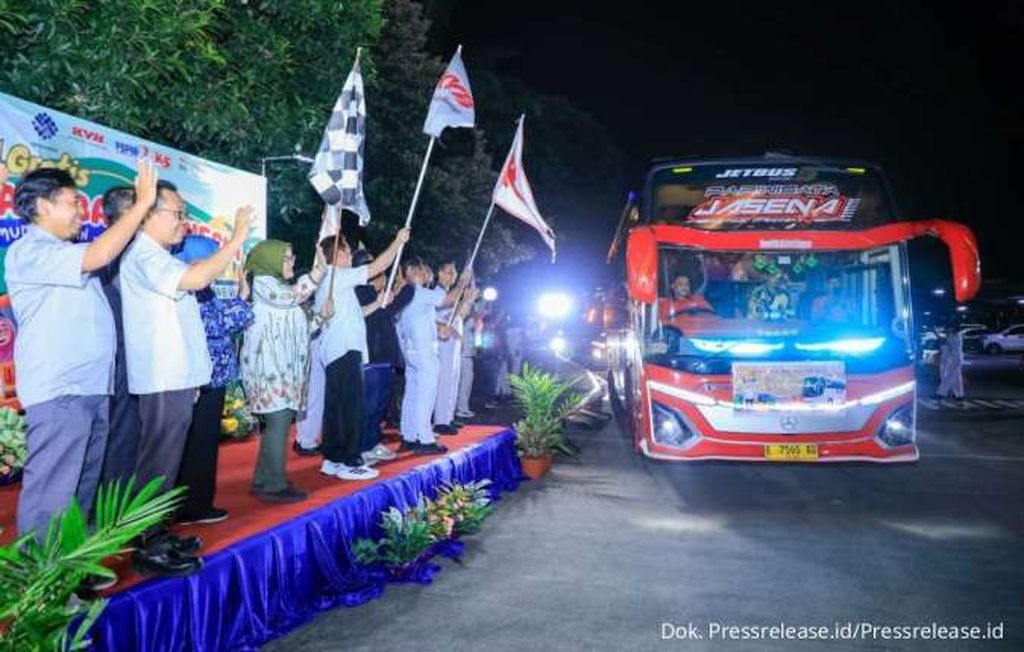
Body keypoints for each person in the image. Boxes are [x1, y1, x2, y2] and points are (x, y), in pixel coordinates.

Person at [5, 161, 155, 550]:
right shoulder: (30, 251)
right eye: (73, 202)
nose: (80, 212)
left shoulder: (66, 252)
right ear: (42, 205)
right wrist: (141, 207)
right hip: (60, 390)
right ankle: (40, 588)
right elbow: (99, 254)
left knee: (80, 489)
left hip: (89, 389)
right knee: (53, 490)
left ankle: (69, 571)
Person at [121, 180, 250, 575]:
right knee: (157, 464)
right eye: (177, 213)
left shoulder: (161, 256)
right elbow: (197, 280)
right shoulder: (142, 255)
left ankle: (158, 534)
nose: (184, 222)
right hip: (163, 378)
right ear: (147, 216)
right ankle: (147, 545)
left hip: (178, 378)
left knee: (168, 464)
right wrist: (236, 239)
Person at [313, 225, 409, 480]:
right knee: (350, 408)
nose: (350, 254)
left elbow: (354, 314)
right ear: (338, 254)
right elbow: (376, 267)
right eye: (346, 250)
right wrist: (397, 242)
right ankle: (349, 460)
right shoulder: (337, 275)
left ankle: (332, 458)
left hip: (336, 352)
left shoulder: (331, 280)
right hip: (345, 351)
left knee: (337, 408)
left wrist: (378, 303)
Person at [173, 236, 254, 524]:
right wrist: (243, 298)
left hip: (211, 377)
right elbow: (223, 324)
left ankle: (197, 503)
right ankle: (192, 508)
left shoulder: (203, 290)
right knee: (199, 446)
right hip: (202, 379)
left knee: (203, 445)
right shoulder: (189, 291)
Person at [241, 238, 328, 502]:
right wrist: (316, 274)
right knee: (278, 422)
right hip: (268, 369)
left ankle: (264, 478)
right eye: (286, 257)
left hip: (284, 370)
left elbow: (300, 326)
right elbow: (290, 298)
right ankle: (273, 486)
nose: (291, 262)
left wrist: (321, 316)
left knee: (277, 424)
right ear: (270, 259)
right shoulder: (263, 283)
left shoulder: (279, 286)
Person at [396, 258, 471, 453]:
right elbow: (448, 300)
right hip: (424, 351)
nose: (425, 272)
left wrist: (438, 329)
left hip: (412, 350)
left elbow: (421, 320)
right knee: (425, 395)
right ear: (411, 271)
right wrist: (462, 282)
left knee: (412, 394)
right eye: (420, 269)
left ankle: (409, 435)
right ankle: (424, 439)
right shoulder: (417, 292)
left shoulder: (406, 294)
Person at [96, 186, 144, 489]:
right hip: (121, 353)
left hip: (132, 352)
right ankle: (115, 511)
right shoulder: (111, 252)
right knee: (122, 432)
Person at [355, 250, 414, 465]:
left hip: (384, 357)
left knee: (379, 406)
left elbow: (387, 313)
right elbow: (385, 312)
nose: (383, 276)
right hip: (373, 356)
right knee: (370, 406)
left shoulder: (373, 294)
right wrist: (406, 288)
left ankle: (372, 442)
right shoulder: (361, 293)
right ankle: (363, 447)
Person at [433, 261, 463, 435]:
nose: (452, 275)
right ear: (440, 273)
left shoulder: (448, 293)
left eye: (454, 272)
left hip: (453, 343)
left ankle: (449, 416)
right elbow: (436, 318)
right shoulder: (437, 294)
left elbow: (457, 315)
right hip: (443, 341)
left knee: (453, 378)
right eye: (448, 272)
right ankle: (441, 420)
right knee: (444, 379)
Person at [455, 298, 480, 420]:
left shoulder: (472, 318)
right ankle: (461, 408)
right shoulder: (463, 318)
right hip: (462, 353)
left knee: (467, 382)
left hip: (468, 352)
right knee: (463, 382)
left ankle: (462, 407)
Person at [935, 323, 965, 400]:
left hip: (956, 358)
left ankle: (941, 393)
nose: (948, 330)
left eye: (949, 328)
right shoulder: (953, 335)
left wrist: (936, 333)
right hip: (954, 358)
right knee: (956, 377)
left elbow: (944, 342)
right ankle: (958, 394)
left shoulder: (955, 336)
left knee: (949, 376)